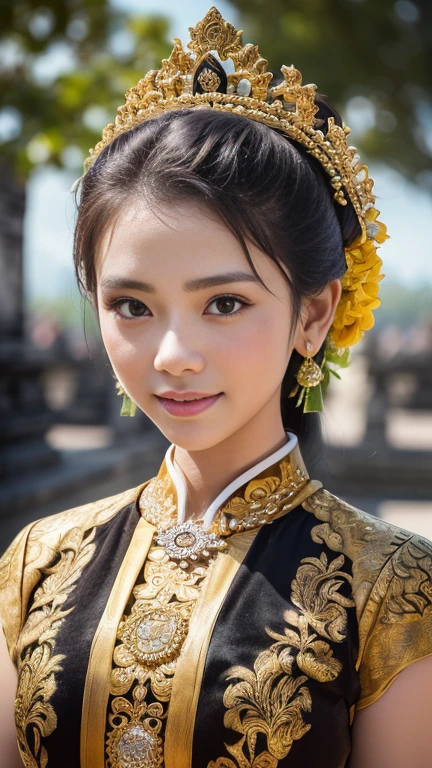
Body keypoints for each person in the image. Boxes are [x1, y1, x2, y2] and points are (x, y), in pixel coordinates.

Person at [1, 7, 431, 768]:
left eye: (224, 304)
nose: (173, 354)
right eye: (131, 306)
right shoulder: (37, 562)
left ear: (315, 312)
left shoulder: (392, 591)